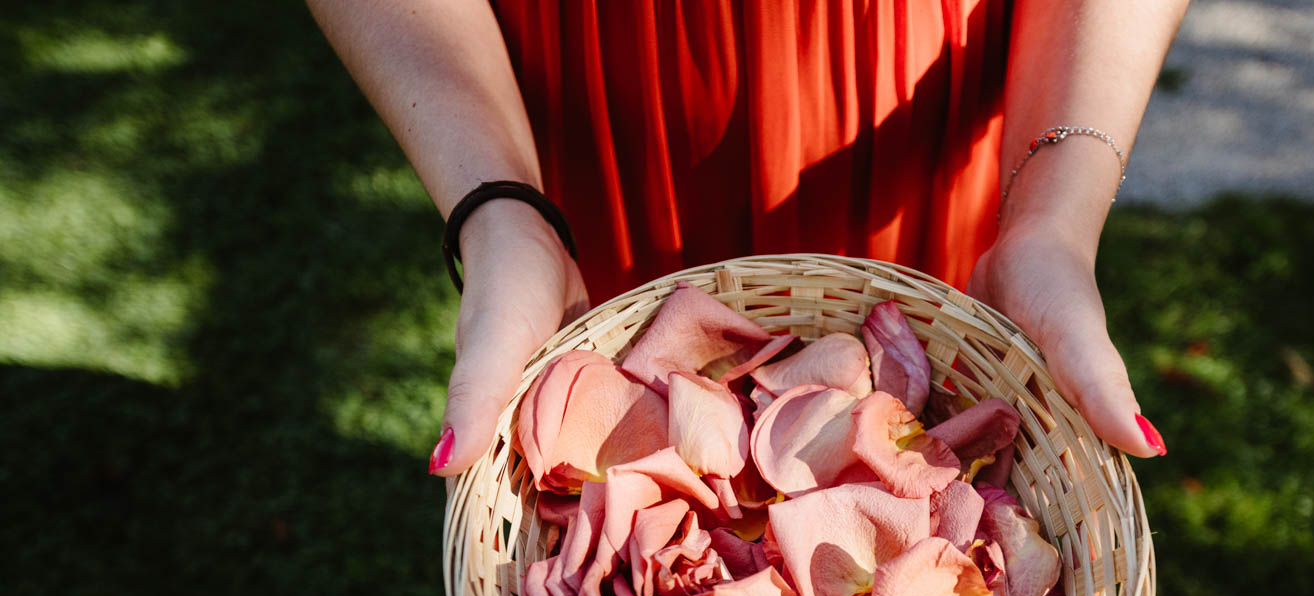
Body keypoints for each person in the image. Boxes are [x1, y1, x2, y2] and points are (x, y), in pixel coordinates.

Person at [307, 0, 1187, 476]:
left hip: (910, 71)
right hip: (600, 102)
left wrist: (1050, 222)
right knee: (618, 432)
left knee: (914, 395)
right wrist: (503, 208)